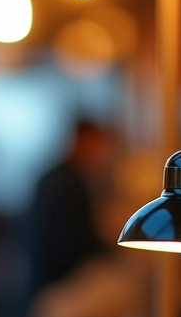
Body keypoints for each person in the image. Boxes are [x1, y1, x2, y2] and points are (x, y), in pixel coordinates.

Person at [24, 117, 115, 300]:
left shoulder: (58, 177)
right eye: (96, 146)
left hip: (45, 280)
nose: (99, 154)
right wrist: (109, 251)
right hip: (57, 284)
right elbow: (72, 240)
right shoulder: (66, 183)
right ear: (81, 142)